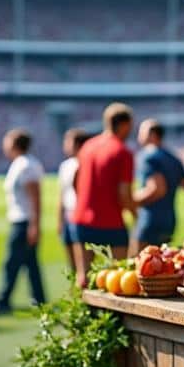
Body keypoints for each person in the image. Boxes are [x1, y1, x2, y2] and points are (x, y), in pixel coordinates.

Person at [72, 103, 137, 269]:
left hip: (81, 219)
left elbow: (75, 180)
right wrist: (135, 215)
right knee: (118, 274)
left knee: (83, 276)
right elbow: (124, 194)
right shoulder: (123, 152)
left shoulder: (87, 146)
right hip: (111, 221)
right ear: (123, 125)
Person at [0, 128, 45, 313]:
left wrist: (34, 226)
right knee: (30, 263)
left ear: (14, 144)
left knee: (11, 263)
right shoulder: (22, 163)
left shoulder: (25, 165)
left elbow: (35, 197)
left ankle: (3, 300)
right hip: (24, 220)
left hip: (23, 221)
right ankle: (39, 299)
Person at [133, 119, 184, 251]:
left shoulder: (148, 156)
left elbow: (157, 189)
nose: (138, 136)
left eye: (141, 132)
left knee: (138, 261)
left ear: (152, 134)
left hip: (150, 219)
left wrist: (131, 201)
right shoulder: (173, 158)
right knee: (160, 263)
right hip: (169, 220)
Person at [56, 128, 91, 285]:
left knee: (84, 266)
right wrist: (59, 219)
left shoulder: (87, 164)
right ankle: (76, 296)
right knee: (72, 265)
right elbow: (62, 195)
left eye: (67, 141)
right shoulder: (66, 166)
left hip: (82, 218)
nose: (65, 145)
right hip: (69, 217)